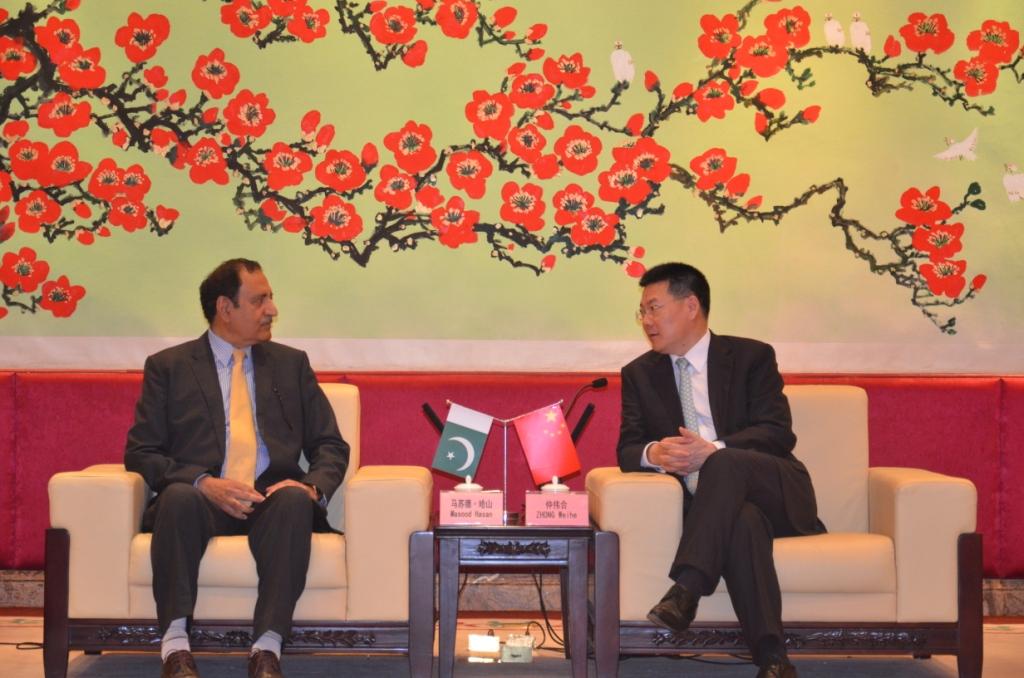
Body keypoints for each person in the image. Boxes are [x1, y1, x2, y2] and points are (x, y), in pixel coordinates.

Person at [125, 258, 349, 678]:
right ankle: (175, 648)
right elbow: (142, 452)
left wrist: (312, 488)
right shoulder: (169, 367)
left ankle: (267, 649)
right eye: (259, 300)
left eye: (270, 298)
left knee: (294, 501)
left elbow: (330, 444)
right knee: (177, 497)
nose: (272, 310)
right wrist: (202, 482)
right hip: (200, 500)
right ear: (225, 308)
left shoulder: (291, 364)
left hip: (269, 500)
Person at [617, 262, 825, 678]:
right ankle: (773, 659)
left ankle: (688, 587)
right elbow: (628, 450)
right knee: (743, 522)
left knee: (723, 460)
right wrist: (657, 454)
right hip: (717, 511)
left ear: (691, 305)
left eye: (654, 308)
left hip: (777, 489)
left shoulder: (751, 358)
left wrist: (712, 450)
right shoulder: (639, 374)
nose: (647, 321)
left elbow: (777, 432)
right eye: (642, 312)